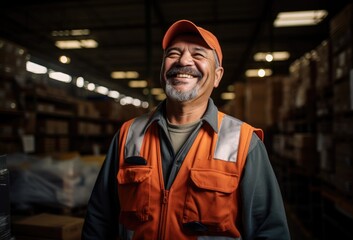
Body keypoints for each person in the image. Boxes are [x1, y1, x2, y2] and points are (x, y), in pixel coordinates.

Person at [81, 19, 290, 240]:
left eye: (198, 54)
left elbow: (270, 231)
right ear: (163, 69)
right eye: (173, 53)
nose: (183, 60)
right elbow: (100, 220)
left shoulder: (244, 143)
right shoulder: (128, 134)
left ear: (217, 75)